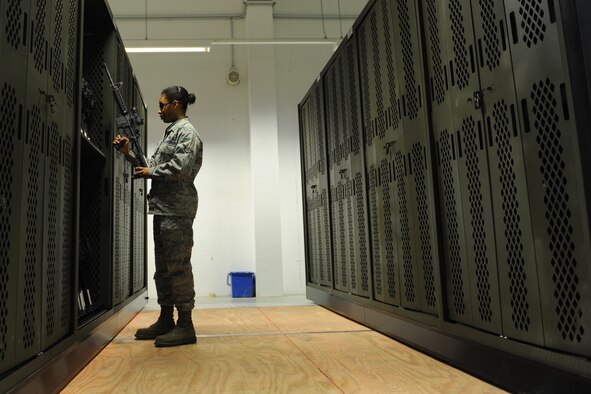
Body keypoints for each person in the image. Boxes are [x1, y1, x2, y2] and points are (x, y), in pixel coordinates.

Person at [113, 86, 202, 347]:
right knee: (163, 270)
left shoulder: (187, 133)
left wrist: (151, 172)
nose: (159, 110)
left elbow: (181, 169)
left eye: (163, 105)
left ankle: (186, 325)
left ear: (175, 104)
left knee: (179, 268)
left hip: (177, 210)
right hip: (163, 208)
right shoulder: (171, 133)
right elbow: (149, 164)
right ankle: (166, 319)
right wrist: (128, 152)